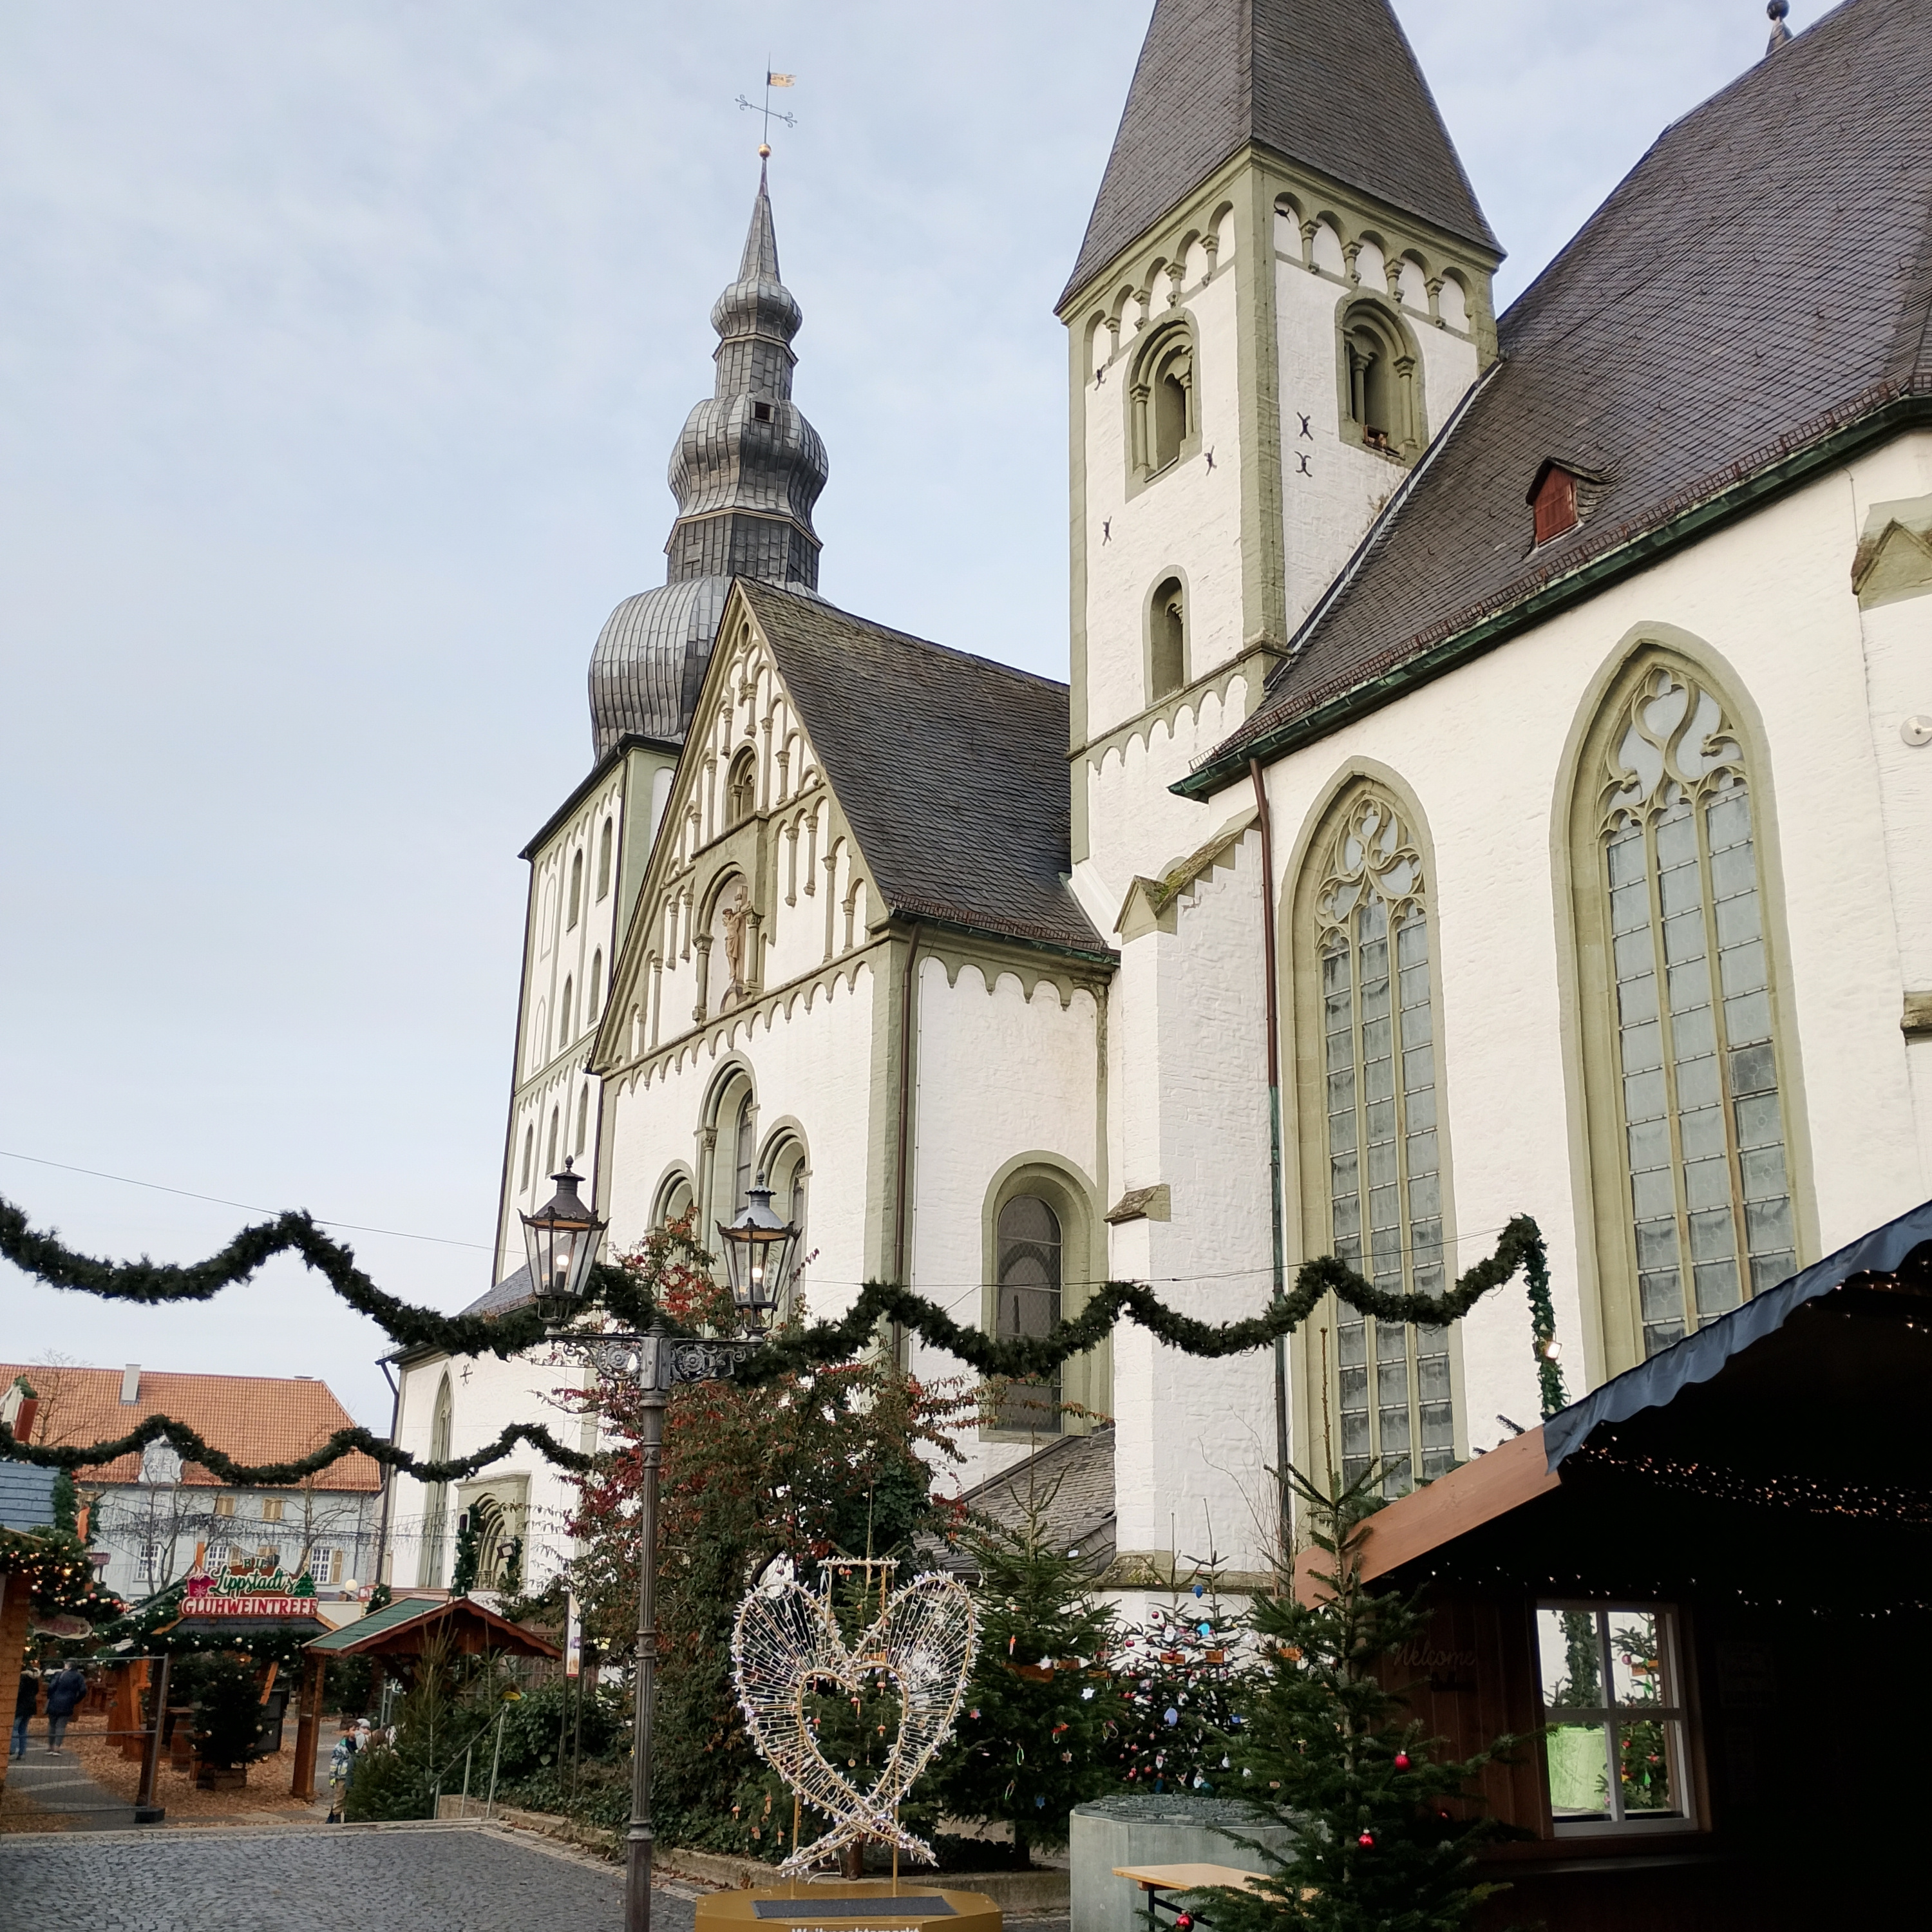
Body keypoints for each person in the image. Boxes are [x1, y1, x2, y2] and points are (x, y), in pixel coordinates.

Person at [44, 1662, 86, 1751]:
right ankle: (57, 1748)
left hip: (54, 1701)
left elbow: (51, 1687)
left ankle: (50, 1746)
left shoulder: (59, 1674)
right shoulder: (79, 1677)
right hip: (68, 1702)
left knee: (52, 1724)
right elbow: (83, 1690)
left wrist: (50, 1696)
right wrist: (76, 1700)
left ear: (68, 1666)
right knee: (61, 1726)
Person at [325, 1724, 359, 1823]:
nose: (356, 1732)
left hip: (354, 1775)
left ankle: (349, 1816)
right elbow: (334, 1762)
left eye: (358, 1729)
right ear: (348, 1731)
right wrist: (332, 1777)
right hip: (342, 1776)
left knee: (351, 1798)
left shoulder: (360, 1744)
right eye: (354, 1730)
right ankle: (337, 1816)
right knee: (340, 1797)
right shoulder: (340, 1746)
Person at [11, 1668, 38, 1757]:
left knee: (14, 1729)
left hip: (20, 1707)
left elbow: (18, 1692)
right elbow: (36, 1691)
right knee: (23, 1729)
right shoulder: (35, 1678)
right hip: (30, 1707)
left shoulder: (22, 1678)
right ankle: (22, 1752)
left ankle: (13, 1751)